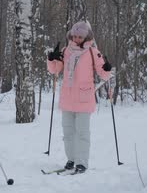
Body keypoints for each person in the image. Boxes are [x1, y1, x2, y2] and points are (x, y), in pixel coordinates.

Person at [46, 21, 112, 173]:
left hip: (84, 98)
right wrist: (51, 59)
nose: (76, 39)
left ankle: (81, 162)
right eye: (74, 36)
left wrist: (107, 68)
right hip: (67, 98)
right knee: (68, 132)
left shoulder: (92, 52)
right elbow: (55, 70)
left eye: (80, 37)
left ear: (86, 37)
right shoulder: (66, 50)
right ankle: (72, 159)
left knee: (82, 133)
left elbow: (103, 74)